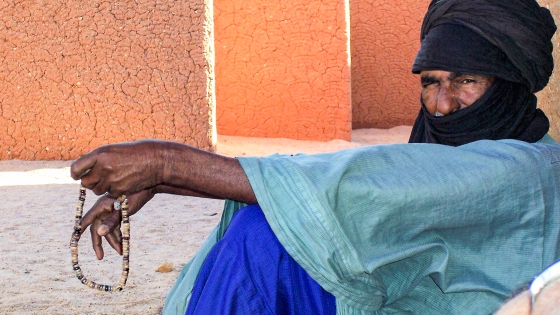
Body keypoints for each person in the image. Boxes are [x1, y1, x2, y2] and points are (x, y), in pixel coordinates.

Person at [70, 0, 560, 314]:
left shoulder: (529, 169)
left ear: (512, 84)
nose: (443, 103)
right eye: (431, 82)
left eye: (467, 80)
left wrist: (165, 162)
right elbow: (350, 184)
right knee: (270, 229)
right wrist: (163, 182)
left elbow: (359, 188)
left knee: (266, 241)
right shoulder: (439, 153)